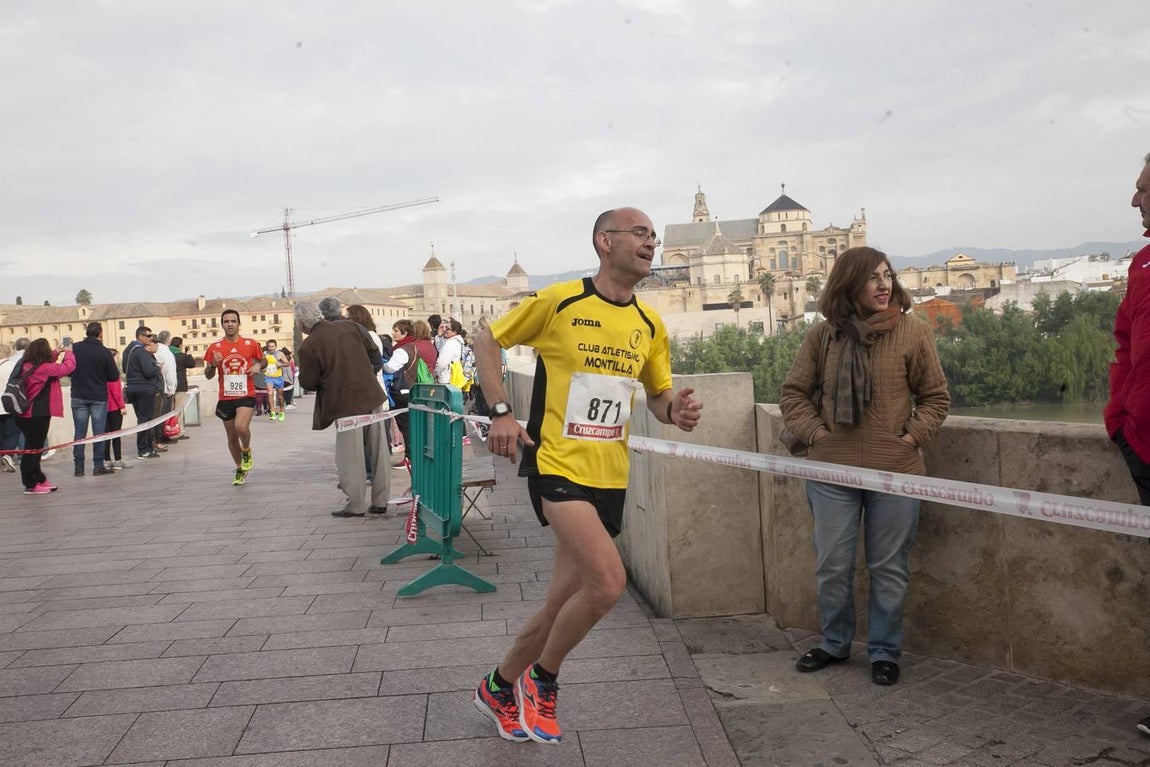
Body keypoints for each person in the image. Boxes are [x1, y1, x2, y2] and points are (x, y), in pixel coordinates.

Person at [471, 206, 703, 745]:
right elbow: (487, 339)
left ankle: (498, 685)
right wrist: (501, 410)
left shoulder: (649, 324)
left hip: (610, 474)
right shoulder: (561, 301)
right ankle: (542, 681)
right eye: (640, 233)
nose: (652, 243)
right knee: (607, 583)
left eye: (655, 236)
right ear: (604, 241)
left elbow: (659, 396)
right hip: (555, 465)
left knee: (560, 604)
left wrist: (677, 413)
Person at [779, 246, 950, 688]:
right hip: (832, 473)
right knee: (833, 564)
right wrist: (818, 435)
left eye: (887, 276)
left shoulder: (912, 332)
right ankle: (835, 643)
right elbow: (793, 394)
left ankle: (885, 652)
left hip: (895, 472)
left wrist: (909, 438)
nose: (883, 285)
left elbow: (936, 397)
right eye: (872, 277)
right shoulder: (823, 337)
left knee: (888, 566)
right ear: (848, 284)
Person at [1102, 151, 1150, 739]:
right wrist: (1121, 418)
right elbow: (1124, 345)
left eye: (1142, 189)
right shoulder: (1142, 265)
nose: (1135, 200)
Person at [295, 301, 391, 517]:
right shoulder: (351, 327)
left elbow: (308, 382)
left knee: (351, 455)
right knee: (378, 450)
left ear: (301, 325)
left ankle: (356, 504)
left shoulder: (309, 346)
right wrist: (363, 373)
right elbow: (375, 355)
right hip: (371, 395)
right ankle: (381, 500)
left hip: (344, 403)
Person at [203, 309, 264, 486]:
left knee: (240, 427)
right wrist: (213, 364)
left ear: (238, 324)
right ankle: (240, 468)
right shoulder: (214, 347)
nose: (230, 324)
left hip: (246, 393)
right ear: (222, 324)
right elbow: (207, 375)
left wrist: (258, 365)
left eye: (233, 321)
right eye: (226, 321)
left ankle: (246, 450)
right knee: (231, 436)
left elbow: (264, 360)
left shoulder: (250, 343)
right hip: (226, 396)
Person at [13, 338, 76, 494]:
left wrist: (56, 352)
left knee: (33, 447)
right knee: (33, 450)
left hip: (22, 413)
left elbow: (45, 364)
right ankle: (31, 483)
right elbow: (66, 368)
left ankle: (39, 479)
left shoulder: (25, 364)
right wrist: (69, 354)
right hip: (37, 413)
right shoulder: (44, 368)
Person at [69, 322, 120, 476]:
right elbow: (114, 376)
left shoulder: (75, 348)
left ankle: (79, 468)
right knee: (99, 433)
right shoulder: (104, 352)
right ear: (100, 334)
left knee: (79, 433)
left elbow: (68, 369)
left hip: (78, 395)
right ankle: (98, 466)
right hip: (98, 396)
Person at [383, 318, 438, 457]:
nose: (393, 333)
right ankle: (420, 453)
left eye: (396, 330)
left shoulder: (403, 349)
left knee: (407, 426)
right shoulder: (424, 346)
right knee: (418, 424)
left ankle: (411, 456)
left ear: (405, 333)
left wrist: (380, 363)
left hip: (405, 390)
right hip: (421, 388)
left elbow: (390, 368)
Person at [122, 326, 163, 459]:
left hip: (133, 389)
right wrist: (157, 367)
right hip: (144, 390)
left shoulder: (129, 350)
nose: (151, 338)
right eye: (149, 336)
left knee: (142, 419)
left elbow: (125, 368)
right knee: (145, 420)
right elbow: (148, 371)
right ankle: (144, 449)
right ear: (141, 337)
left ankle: (146, 448)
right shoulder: (141, 352)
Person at [103, 347, 132, 472]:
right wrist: (122, 406)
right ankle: (118, 459)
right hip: (114, 407)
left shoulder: (100, 371)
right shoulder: (113, 372)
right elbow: (116, 392)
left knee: (105, 435)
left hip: (103, 407)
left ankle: (106, 460)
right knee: (116, 434)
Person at [0, 342, 20, 472]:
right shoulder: (13, 366)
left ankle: (3, 456)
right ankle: (8, 455)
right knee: (12, 433)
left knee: (1, 434)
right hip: (9, 404)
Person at [434, 318, 465, 385]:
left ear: (454, 332)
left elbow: (441, 363)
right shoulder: (457, 342)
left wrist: (434, 373)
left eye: (447, 328)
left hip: (446, 379)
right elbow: (442, 349)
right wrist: (439, 337)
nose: (445, 330)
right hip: (452, 377)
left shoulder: (450, 343)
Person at [263, 339, 288, 421]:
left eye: (272, 346)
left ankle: (281, 411)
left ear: (276, 346)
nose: (271, 348)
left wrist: (280, 364)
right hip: (268, 377)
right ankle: (272, 412)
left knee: (280, 397)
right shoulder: (265, 354)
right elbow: (261, 364)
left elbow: (287, 363)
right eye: (269, 346)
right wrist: (263, 368)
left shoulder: (279, 354)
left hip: (278, 377)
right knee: (270, 393)